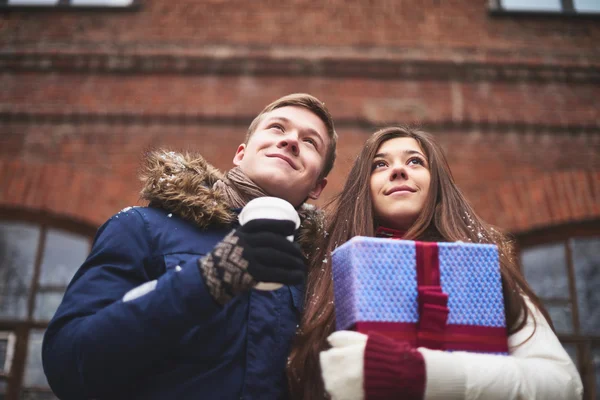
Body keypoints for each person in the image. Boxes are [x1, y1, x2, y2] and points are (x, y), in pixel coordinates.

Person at [42, 93, 338, 400]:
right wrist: (208, 279)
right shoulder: (142, 228)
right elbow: (69, 365)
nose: (291, 141)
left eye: (310, 142)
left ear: (318, 186)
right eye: (278, 128)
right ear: (241, 153)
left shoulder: (319, 270)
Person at [287, 126, 583, 400]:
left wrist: (427, 373)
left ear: (438, 185)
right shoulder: (322, 270)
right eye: (380, 164)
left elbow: (563, 383)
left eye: (415, 161)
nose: (399, 170)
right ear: (362, 188)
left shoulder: (481, 269)